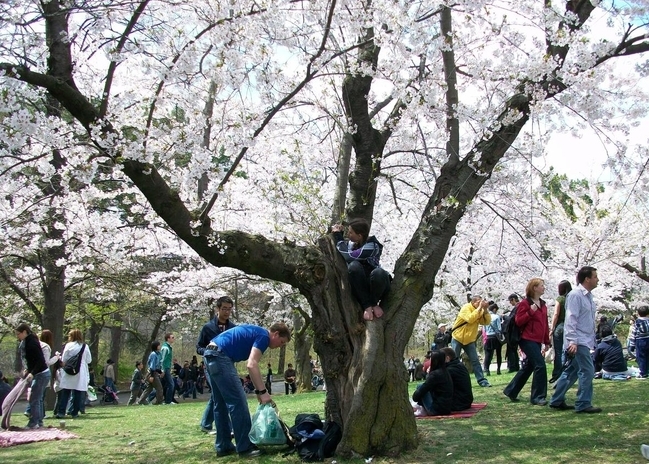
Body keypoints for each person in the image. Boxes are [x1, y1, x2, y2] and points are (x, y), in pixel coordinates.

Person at [203, 322, 291, 458]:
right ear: (276, 334)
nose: (280, 346)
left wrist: (258, 391)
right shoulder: (264, 336)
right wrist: (263, 392)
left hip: (210, 353)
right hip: (220, 356)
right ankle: (245, 447)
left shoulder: (256, 332)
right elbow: (251, 364)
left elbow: (251, 366)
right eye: (282, 342)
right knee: (238, 402)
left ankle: (224, 446)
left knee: (220, 403)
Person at [550, 266, 602, 413]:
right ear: (587, 279)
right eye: (595, 277)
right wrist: (572, 341)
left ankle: (556, 400)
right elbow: (571, 319)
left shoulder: (588, 296)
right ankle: (583, 403)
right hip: (578, 341)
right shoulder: (575, 295)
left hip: (585, 339)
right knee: (588, 370)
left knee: (572, 371)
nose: (598, 279)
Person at [503, 278, 551, 405]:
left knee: (529, 366)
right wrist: (530, 311)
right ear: (534, 288)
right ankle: (537, 397)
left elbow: (545, 324)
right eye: (541, 285)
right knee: (540, 365)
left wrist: (547, 340)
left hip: (537, 340)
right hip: (527, 339)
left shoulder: (543, 305)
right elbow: (519, 321)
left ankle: (511, 390)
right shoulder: (525, 303)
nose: (544, 287)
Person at [332, 219, 391, 321]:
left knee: (379, 272)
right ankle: (367, 305)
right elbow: (344, 249)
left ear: (359, 236)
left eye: (351, 232)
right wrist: (339, 233)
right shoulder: (353, 244)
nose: (348, 234)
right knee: (353, 266)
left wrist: (338, 237)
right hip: (361, 285)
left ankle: (373, 303)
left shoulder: (372, 246)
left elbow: (349, 256)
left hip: (377, 284)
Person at [196, 296, 236, 433]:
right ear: (217, 309)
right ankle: (225, 428)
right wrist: (208, 351)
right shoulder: (208, 328)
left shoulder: (233, 328)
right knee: (219, 393)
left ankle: (206, 424)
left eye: (229, 309)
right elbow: (199, 347)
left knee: (219, 394)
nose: (227, 312)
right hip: (211, 366)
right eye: (224, 309)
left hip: (228, 365)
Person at [450, 295, 491, 387]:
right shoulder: (466, 308)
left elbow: (486, 322)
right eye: (479, 302)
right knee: (454, 360)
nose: (480, 304)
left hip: (469, 340)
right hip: (458, 337)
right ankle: (452, 381)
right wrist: (480, 308)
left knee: (475, 360)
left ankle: (482, 380)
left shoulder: (480, 311)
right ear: (473, 302)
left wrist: (485, 310)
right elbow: (470, 319)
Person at [15, 323, 50, 429]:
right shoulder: (28, 341)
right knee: (36, 399)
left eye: (18, 334)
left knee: (34, 399)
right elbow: (32, 361)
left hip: (41, 374)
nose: (17, 336)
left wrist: (32, 373)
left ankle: (34, 423)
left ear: (25, 332)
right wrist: (28, 370)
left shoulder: (32, 343)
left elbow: (40, 361)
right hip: (40, 373)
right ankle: (38, 422)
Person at [56, 328, 92, 419]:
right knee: (78, 392)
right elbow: (89, 360)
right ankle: (74, 412)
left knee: (66, 392)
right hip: (80, 370)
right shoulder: (85, 346)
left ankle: (61, 412)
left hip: (69, 369)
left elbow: (64, 359)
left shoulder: (68, 345)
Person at [412, 351, 453, 416]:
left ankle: (421, 408)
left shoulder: (435, 374)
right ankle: (419, 406)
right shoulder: (446, 372)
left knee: (420, 386)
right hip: (447, 408)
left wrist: (415, 398)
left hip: (436, 410)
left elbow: (423, 388)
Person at [550, 280, 572, 383]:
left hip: (560, 326)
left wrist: (552, 328)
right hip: (570, 326)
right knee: (567, 351)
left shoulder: (560, 299)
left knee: (558, 352)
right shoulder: (572, 298)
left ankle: (557, 374)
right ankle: (567, 372)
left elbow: (556, 314)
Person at [440, 347, 473, 411]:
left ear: (447, 358)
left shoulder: (450, 370)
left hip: (457, 404)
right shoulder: (459, 366)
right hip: (465, 401)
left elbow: (433, 384)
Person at [138, 341, 164, 405]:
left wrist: (160, 372)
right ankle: (159, 402)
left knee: (149, 388)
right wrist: (152, 376)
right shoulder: (153, 354)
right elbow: (152, 366)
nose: (160, 346)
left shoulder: (157, 354)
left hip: (154, 372)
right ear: (156, 346)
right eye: (159, 345)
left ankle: (141, 401)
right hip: (152, 373)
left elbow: (157, 366)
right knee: (159, 388)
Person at [483, 303, 503, 376]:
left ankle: (487, 370)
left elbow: (484, 329)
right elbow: (499, 328)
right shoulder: (496, 317)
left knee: (488, 354)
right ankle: (498, 369)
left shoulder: (486, 317)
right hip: (495, 337)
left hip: (488, 337)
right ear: (494, 309)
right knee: (498, 353)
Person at [504, 293, 521, 372]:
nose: (510, 303)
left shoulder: (517, 308)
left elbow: (512, 319)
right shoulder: (518, 307)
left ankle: (513, 367)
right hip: (515, 332)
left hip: (513, 332)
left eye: (510, 301)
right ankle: (515, 366)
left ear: (513, 299)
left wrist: (504, 317)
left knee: (511, 350)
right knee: (514, 350)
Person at [160, 333, 176, 404]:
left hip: (167, 368)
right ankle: (168, 401)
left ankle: (148, 399)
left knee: (161, 385)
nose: (173, 339)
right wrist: (162, 370)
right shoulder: (165, 348)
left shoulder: (169, 347)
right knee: (171, 384)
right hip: (165, 368)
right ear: (168, 339)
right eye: (172, 337)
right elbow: (162, 359)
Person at [634, 306, 649, 379]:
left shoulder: (637, 321)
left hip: (640, 340)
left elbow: (633, 333)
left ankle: (643, 373)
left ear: (638, 313)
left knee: (641, 357)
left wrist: (632, 344)